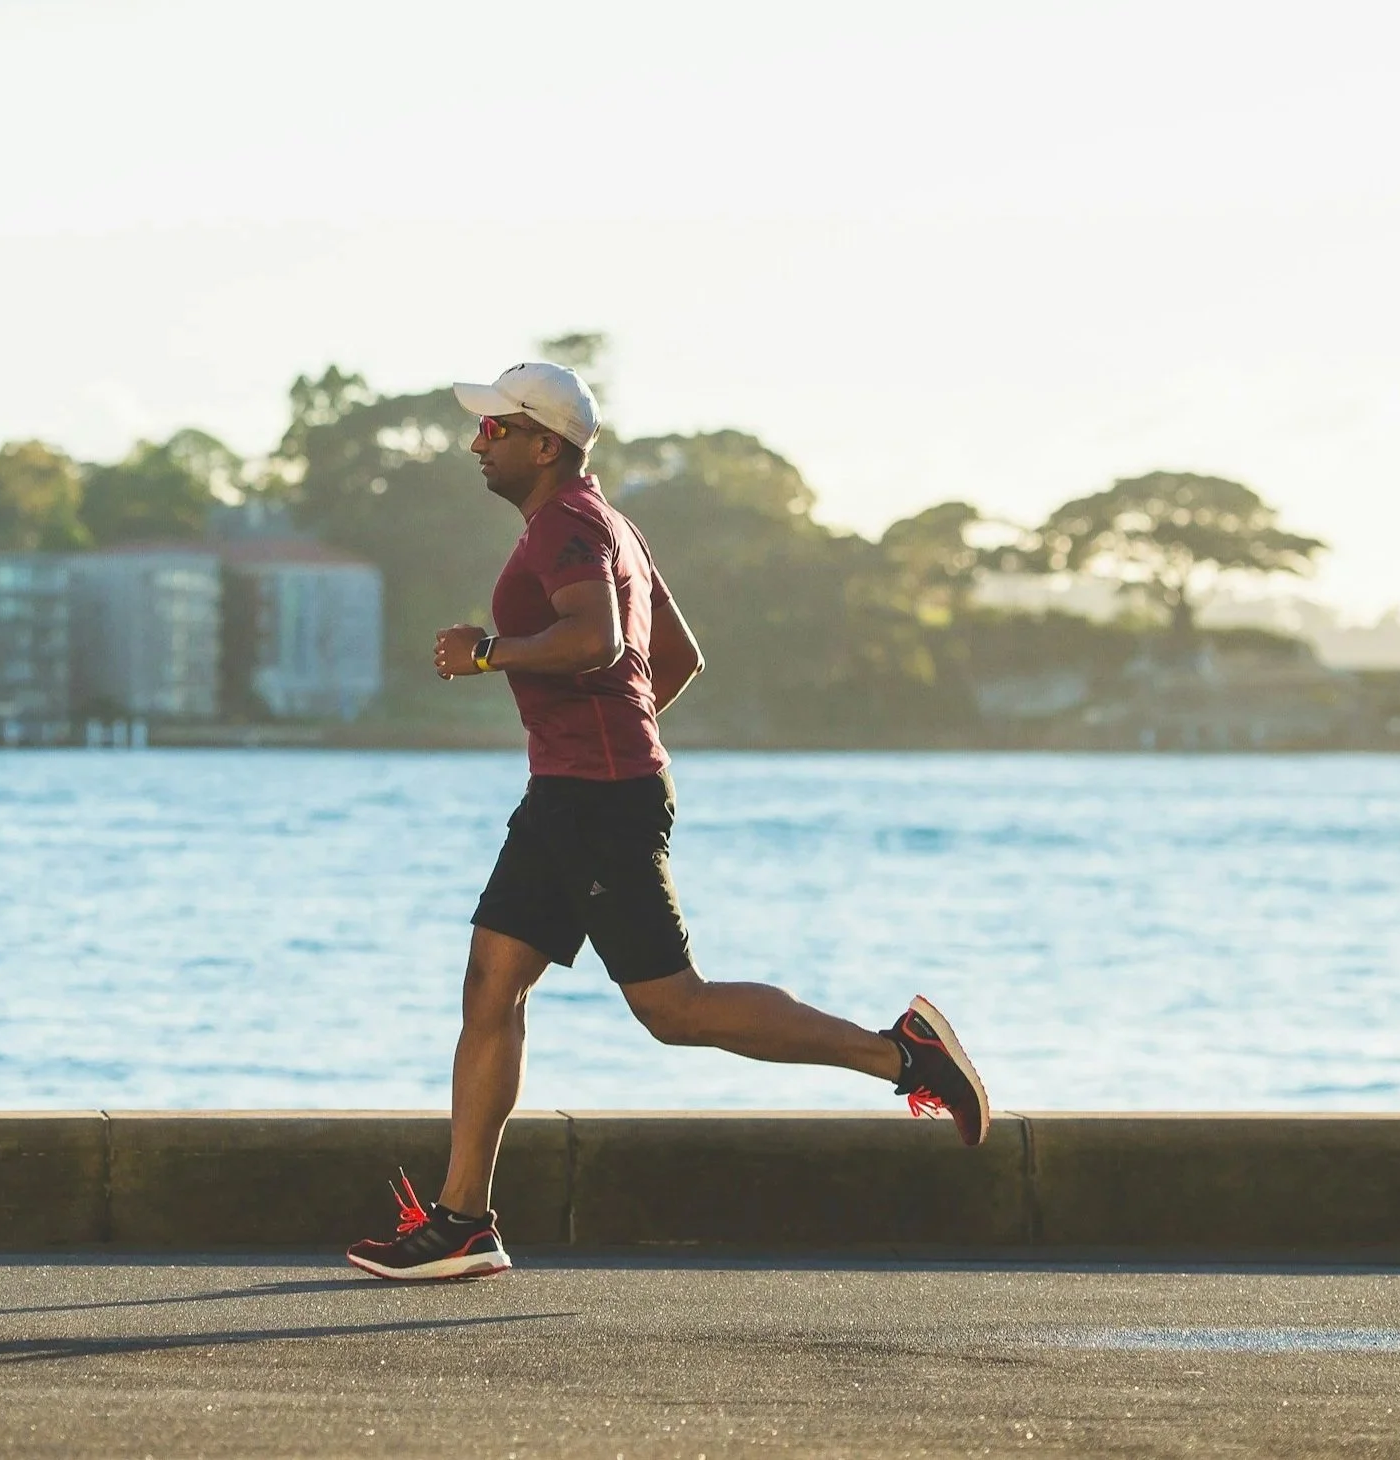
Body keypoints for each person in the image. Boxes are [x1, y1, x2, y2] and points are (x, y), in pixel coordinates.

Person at [345, 363, 990, 1282]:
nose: (477, 442)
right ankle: (461, 1222)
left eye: (495, 429)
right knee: (492, 984)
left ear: (544, 443)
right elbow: (675, 658)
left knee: (672, 1008)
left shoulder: (569, 525)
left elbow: (601, 642)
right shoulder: (610, 525)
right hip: (576, 793)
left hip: (593, 802)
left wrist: (491, 653)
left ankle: (902, 1055)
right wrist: (612, 735)